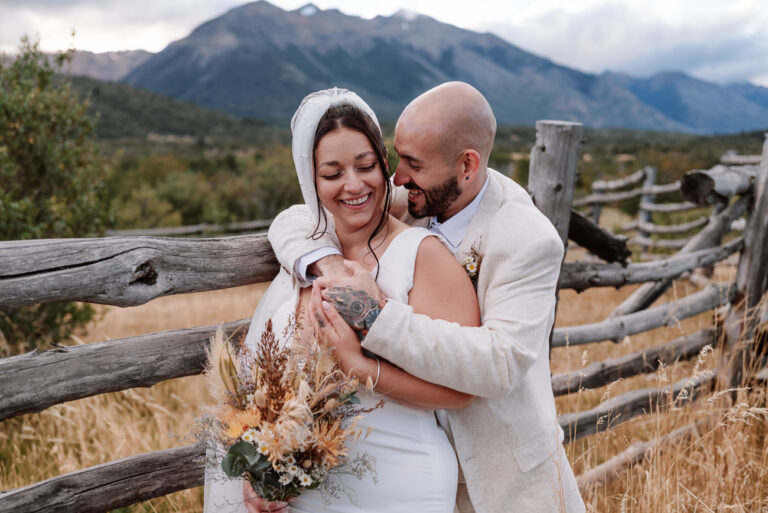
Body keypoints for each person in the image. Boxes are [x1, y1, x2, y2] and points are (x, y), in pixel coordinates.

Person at [268, 82, 586, 513]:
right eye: (396, 158)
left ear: (467, 166)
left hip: (501, 484)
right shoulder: (414, 198)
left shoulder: (527, 239)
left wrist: (373, 313)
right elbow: (297, 217)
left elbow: (500, 363)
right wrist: (331, 267)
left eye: (412, 163)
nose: (397, 177)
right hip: (405, 468)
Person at [203, 88, 481, 513]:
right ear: (311, 182)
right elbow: (268, 393)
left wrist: (360, 367)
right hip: (306, 495)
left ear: (385, 165)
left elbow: (464, 389)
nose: (353, 185)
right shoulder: (306, 263)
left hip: (401, 483)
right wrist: (260, 469)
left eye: (366, 166)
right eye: (332, 174)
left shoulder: (423, 255)